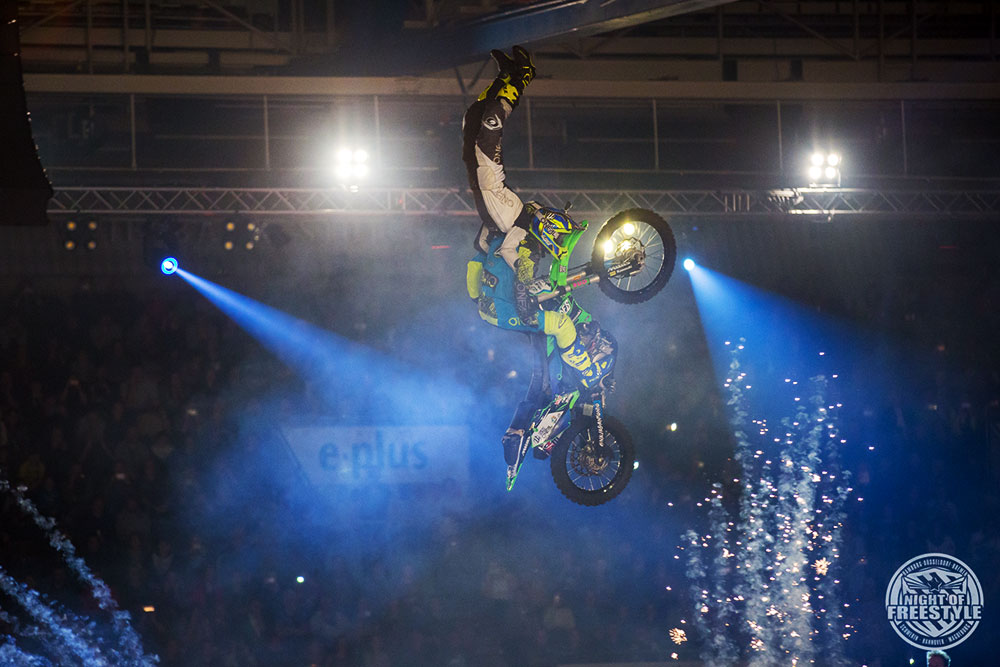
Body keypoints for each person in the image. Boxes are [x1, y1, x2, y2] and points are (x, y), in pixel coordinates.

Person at [463, 47, 613, 480]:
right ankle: (519, 74)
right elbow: (482, 270)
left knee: (474, 129)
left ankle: (514, 75)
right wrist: (517, 280)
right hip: (513, 289)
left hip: (511, 291)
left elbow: (484, 264)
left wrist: (513, 275)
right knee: (480, 139)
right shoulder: (501, 244)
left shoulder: (498, 241)